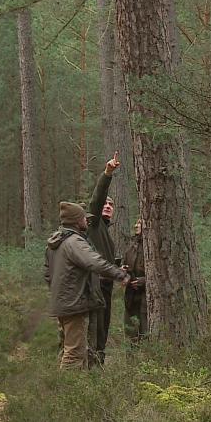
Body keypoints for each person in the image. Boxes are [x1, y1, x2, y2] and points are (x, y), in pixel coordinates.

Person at [44, 202, 129, 369]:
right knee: (74, 354)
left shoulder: (56, 242)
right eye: (83, 217)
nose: (86, 220)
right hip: (74, 305)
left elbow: (48, 274)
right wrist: (119, 274)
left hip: (63, 304)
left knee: (69, 349)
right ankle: (68, 392)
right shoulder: (74, 242)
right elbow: (94, 262)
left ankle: (67, 389)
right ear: (77, 220)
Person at [86, 151, 121, 365]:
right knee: (94, 335)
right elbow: (96, 201)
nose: (108, 206)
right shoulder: (93, 224)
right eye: (106, 204)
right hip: (95, 289)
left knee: (103, 336)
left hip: (106, 290)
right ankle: (89, 379)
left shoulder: (105, 232)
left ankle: (98, 375)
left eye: (112, 205)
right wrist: (107, 173)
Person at [123, 219, 147, 344]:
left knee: (146, 335)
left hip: (146, 298)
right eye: (136, 222)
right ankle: (131, 362)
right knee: (131, 335)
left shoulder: (151, 245)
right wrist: (124, 274)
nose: (135, 225)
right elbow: (126, 265)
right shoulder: (131, 245)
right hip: (130, 297)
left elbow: (161, 274)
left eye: (139, 223)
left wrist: (144, 281)